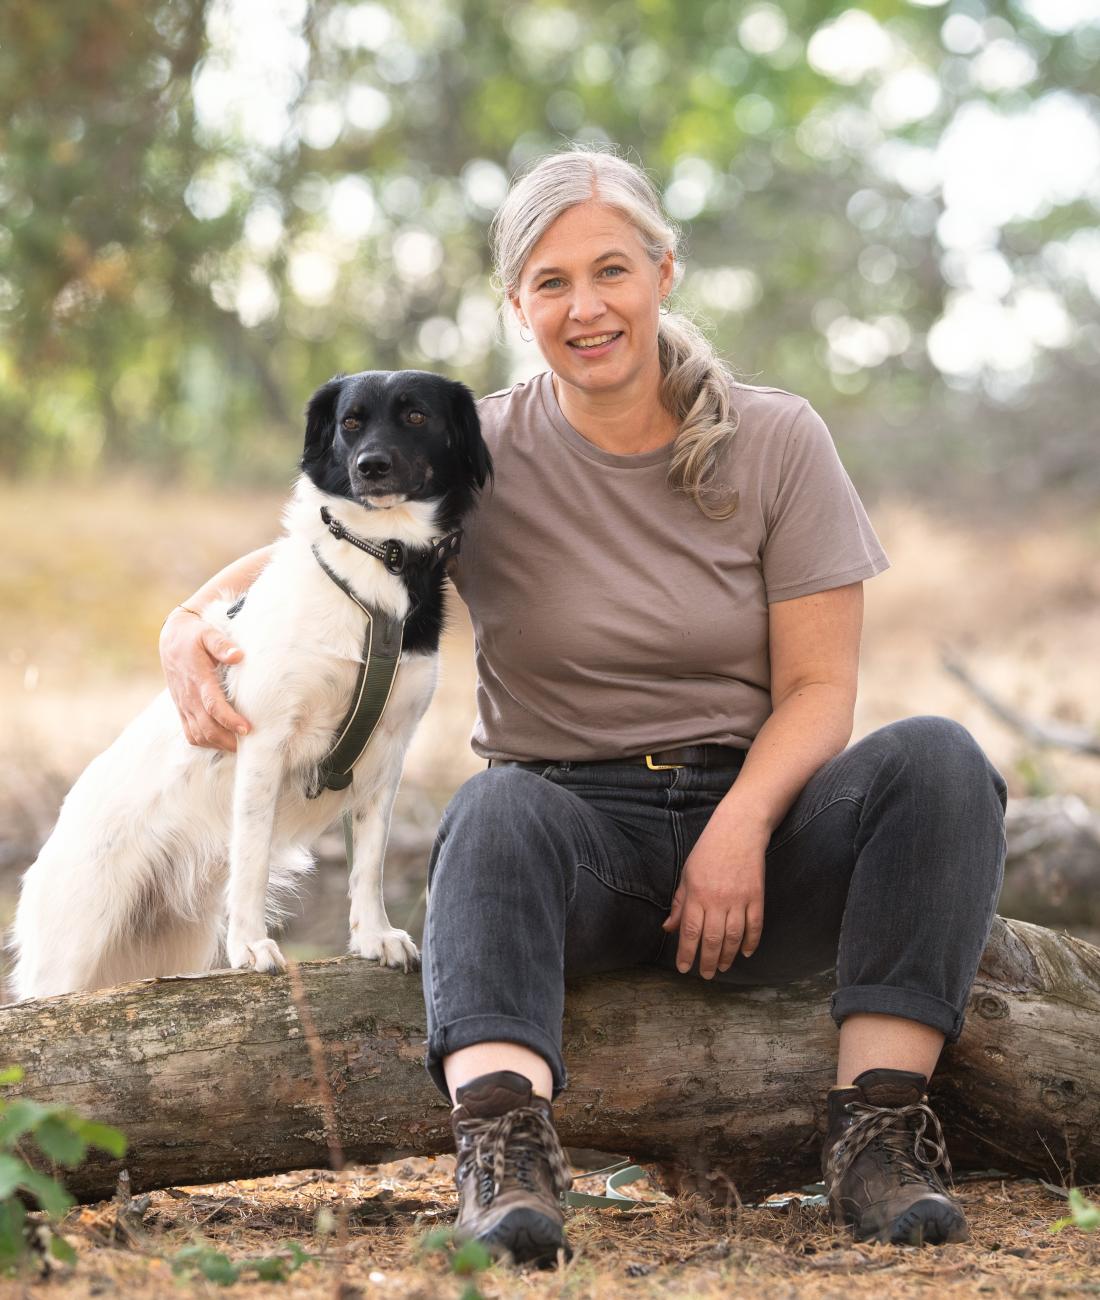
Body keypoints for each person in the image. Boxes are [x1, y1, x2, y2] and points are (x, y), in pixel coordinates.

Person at [160, 147, 1008, 1266]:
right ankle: (505, 1159)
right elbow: (319, 546)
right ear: (516, 306)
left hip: (762, 837)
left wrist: (739, 830)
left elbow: (817, 691)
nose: (585, 306)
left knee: (941, 760)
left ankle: (877, 1136)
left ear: (664, 270)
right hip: (574, 853)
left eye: (610, 270)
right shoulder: (480, 450)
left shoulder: (777, 438)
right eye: (550, 283)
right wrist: (190, 617)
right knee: (491, 806)